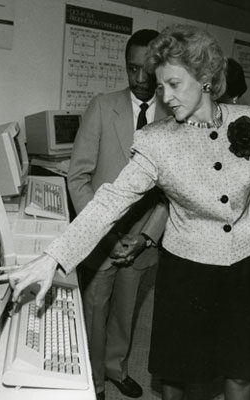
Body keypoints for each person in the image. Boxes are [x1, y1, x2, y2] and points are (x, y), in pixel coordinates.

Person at [0, 24, 250, 400]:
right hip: (186, 267)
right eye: (161, 87)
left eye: (174, 84)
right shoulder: (155, 141)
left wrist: (249, 244)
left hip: (241, 267)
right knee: (177, 373)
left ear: (206, 78)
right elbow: (110, 200)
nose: (166, 96)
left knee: (238, 372)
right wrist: (53, 258)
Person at [67, 29, 169, 400]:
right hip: (100, 238)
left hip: (142, 241)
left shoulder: (174, 117)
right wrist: (102, 232)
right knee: (94, 311)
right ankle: (93, 382)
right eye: (132, 70)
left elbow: (170, 194)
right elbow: (77, 177)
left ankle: (115, 367)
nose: (140, 80)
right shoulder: (101, 106)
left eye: (148, 70)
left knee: (126, 313)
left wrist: (145, 237)